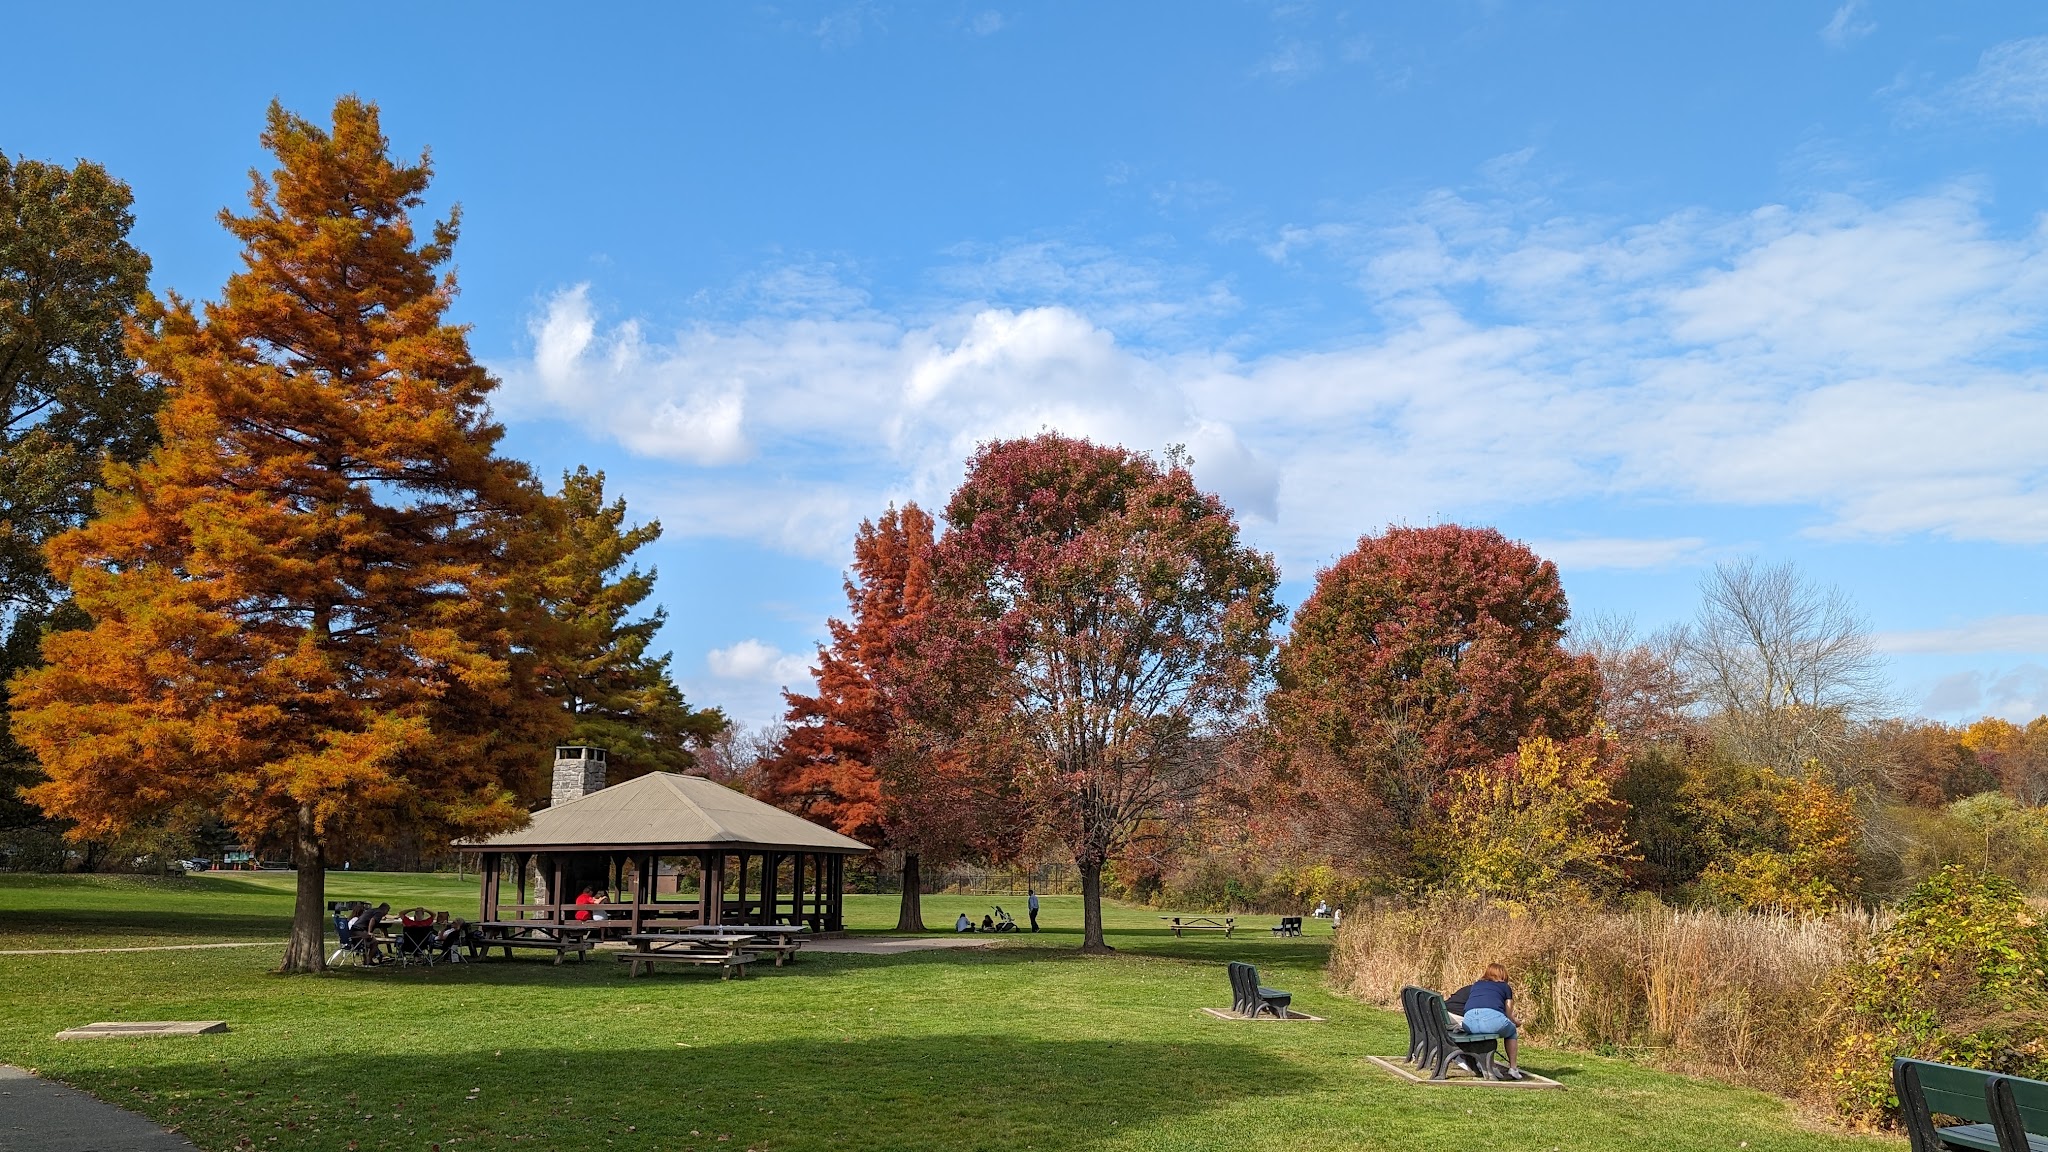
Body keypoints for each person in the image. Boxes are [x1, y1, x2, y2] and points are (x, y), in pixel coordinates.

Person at [1460, 963, 1525, 1080]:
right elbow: (1509, 1014)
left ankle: (1491, 1065)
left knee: (1486, 1031)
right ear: (1503, 975)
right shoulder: (1505, 987)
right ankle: (1513, 1068)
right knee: (1512, 1031)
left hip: (1469, 1021)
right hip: (1491, 1019)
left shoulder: (1476, 985)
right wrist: (1517, 1022)